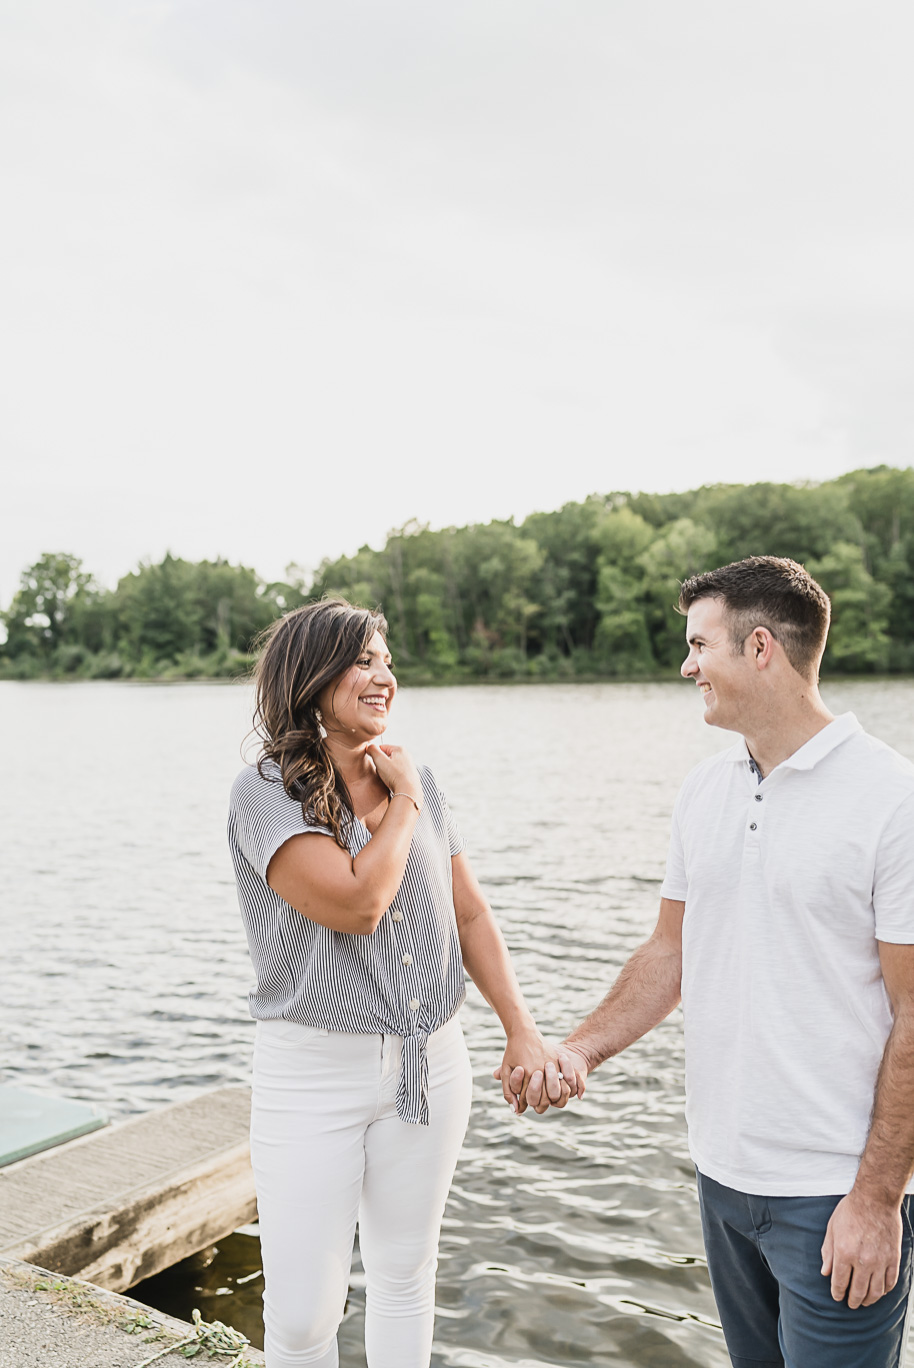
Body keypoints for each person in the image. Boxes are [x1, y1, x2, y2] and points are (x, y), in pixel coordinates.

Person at [513, 556, 914, 1368]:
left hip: (833, 1196)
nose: (687, 665)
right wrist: (580, 1049)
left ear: (760, 648)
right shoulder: (705, 790)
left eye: (700, 645)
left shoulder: (892, 800)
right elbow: (671, 953)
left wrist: (877, 1199)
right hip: (723, 1182)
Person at [227, 598, 564, 1368]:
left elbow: (470, 915)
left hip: (431, 1061)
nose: (384, 676)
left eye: (386, 659)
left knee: (406, 1274)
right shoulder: (265, 791)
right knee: (306, 1312)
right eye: (362, 660)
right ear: (312, 677)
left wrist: (521, 1028)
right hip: (311, 1072)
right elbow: (359, 902)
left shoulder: (419, 778)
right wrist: (405, 799)